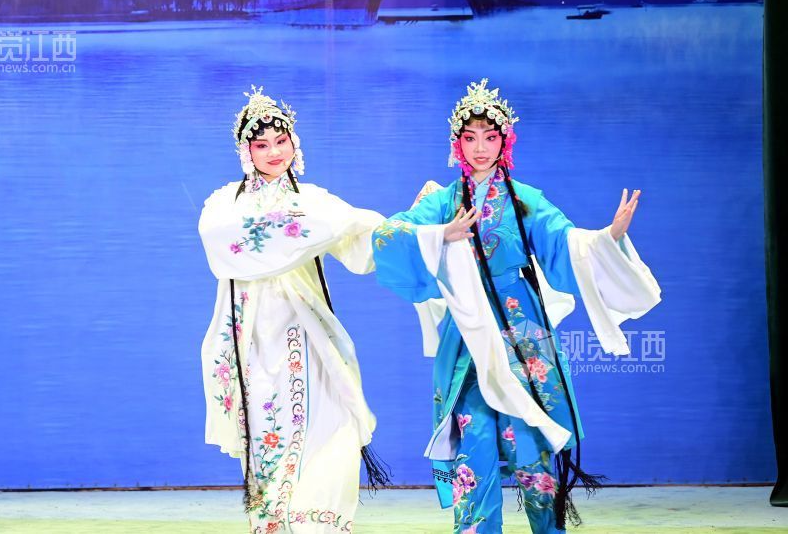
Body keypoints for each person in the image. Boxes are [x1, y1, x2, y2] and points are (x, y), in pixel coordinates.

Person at [372, 78, 661, 533]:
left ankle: (548, 528)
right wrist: (440, 234)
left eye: (490, 137)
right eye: (470, 138)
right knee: (474, 444)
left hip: (521, 330)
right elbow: (389, 235)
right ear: (457, 143)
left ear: (504, 141)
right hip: (468, 337)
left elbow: (565, 244)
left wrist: (609, 238)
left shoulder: (525, 200)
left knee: (530, 446)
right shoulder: (443, 203)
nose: (480, 148)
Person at [199, 86, 390, 533]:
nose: (273, 152)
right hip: (251, 337)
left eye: (280, 141)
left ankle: (313, 522)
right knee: (266, 434)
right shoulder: (224, 205)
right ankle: (270, 522)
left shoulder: (315, 201)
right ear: (246, 152)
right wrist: (317, 226)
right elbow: (225, 240)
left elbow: (361, 240)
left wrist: (414, 230)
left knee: (330, 424)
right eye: (261, 144)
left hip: (305, 332)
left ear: (294, 144)